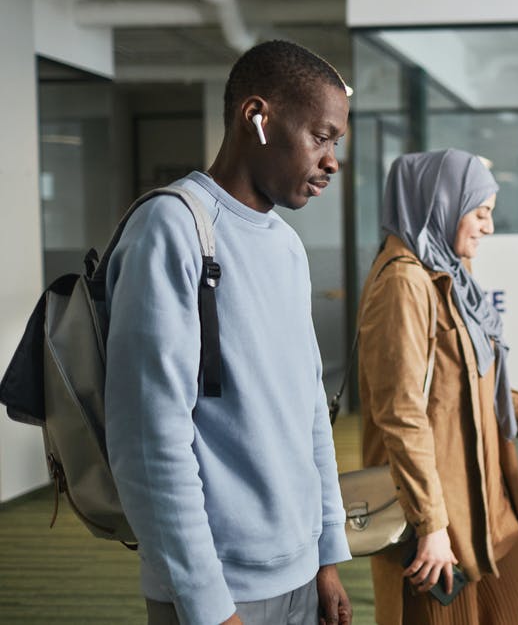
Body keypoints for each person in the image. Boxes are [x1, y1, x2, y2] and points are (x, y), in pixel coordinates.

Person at [105, 41, 352, 625]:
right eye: (320, 137)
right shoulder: (173, 226)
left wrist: (327, 556)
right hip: (218, 589)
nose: (332, 161)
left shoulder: (287, 244)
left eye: (335, 143)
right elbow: (149, 440)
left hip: (301, 574)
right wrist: (208, 604)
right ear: (257, 118)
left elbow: (309, 406)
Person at [358, 149, 518, 625]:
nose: (488, 227)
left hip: (488, 512)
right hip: (439, 524)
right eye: (481, 212)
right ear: (441, 203)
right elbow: (401, 416)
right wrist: (430, 525)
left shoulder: (449, 274)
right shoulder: (405, 283)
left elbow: (480, 382)